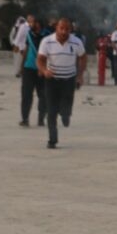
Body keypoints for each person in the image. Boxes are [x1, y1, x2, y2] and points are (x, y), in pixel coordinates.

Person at [37, 17, 86, 149]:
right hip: (52, 80)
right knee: (51, 111)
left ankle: (66, 114)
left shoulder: (77, 42)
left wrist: (80, 76)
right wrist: (44, 70)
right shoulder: (47, 41)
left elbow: (82, 57)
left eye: (67, 29)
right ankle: (52, 139)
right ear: (56, 28)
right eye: (61, 28)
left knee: (66, 107)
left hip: (69, 80)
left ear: (71, 29)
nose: (64, 32)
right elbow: (40, 59)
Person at [16, 15, 46, 127]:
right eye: (32, 23)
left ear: (40, 25)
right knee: (26, 95)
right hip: (29, 68)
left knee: (43, 95)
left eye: (35, 23)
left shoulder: (46, 37)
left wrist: (43, 68)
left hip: (42, 69)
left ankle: (41, 119)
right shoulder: (29, 35)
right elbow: (26, 51)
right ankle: (25, 119)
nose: (33, 25)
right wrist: (22, 67)